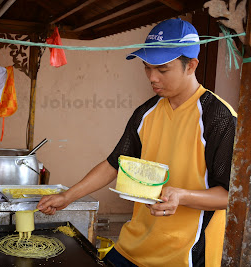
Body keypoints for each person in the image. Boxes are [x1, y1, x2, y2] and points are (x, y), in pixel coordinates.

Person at [37, 18, 237, 267]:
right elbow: (114, 164)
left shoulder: (218, 117)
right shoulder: (145, 113)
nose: (152, 77)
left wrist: (181, 196)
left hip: (185, 255)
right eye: (147, 67)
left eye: (162, 70)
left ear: (191, 66)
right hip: (133, 246)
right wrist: (68, 197)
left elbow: (230, 195)